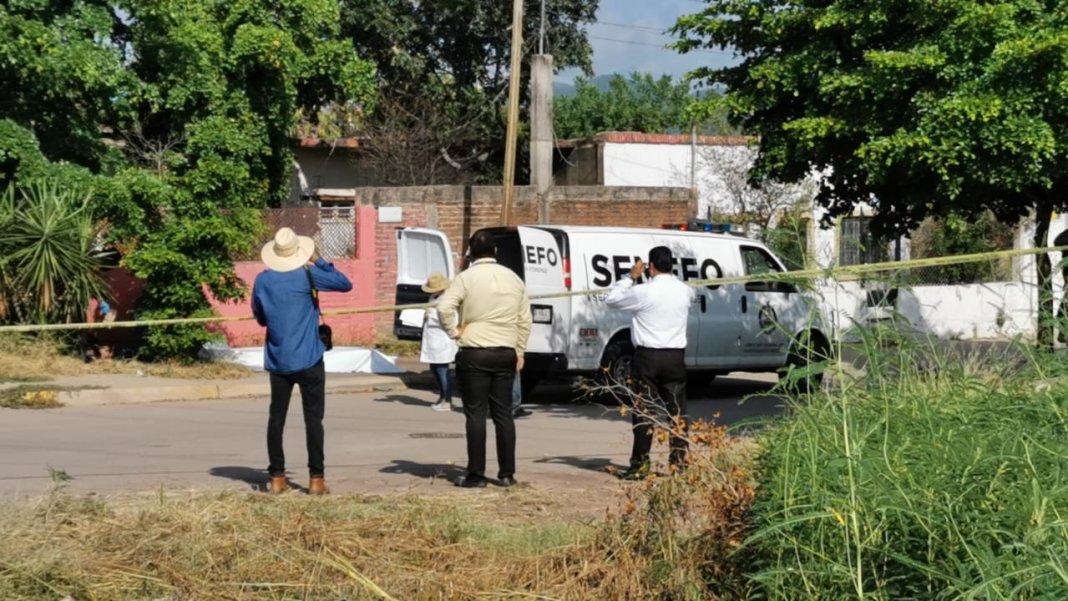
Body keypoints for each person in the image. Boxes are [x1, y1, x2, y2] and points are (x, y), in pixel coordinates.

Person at [252, 227, 352, 495]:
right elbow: (344, 283)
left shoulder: (262, 281)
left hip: (278, 359)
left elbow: (259, 316)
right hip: (309, 358)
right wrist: (318, 259)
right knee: (313, 420)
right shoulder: (308, 274)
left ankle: (276, 478)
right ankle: (316, 480)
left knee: (276, 418)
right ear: (299, 252)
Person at [437, 231, 532, 488]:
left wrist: (453, 330)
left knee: (476, 414)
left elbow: (444, 308)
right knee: (504, 414)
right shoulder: (513, 279)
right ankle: (506, 474)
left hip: (475, 350)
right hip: (505, 351)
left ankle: (476, 475)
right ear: (496, 252)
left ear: (470, 253)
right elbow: (525, 319)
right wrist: (519, 350)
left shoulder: (465, 278)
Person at [605, 246, 695, 480]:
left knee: (644, 411)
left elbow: (612, 299)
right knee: (677, 412)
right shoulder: (685, 291)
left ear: (651, 266)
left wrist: (630, 277)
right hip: (675, 356)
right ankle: (678, 463)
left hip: (647, 357)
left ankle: (640, 464)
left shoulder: (644, 291)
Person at [420, 272, 459, 411]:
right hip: (432, 338)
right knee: (434, 369)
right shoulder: (433, 297)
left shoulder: (447, 299)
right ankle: (442, 397)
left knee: (442, 370)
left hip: (442, 338)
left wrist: (431, 316)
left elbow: (450, 318)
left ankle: (447, 399)